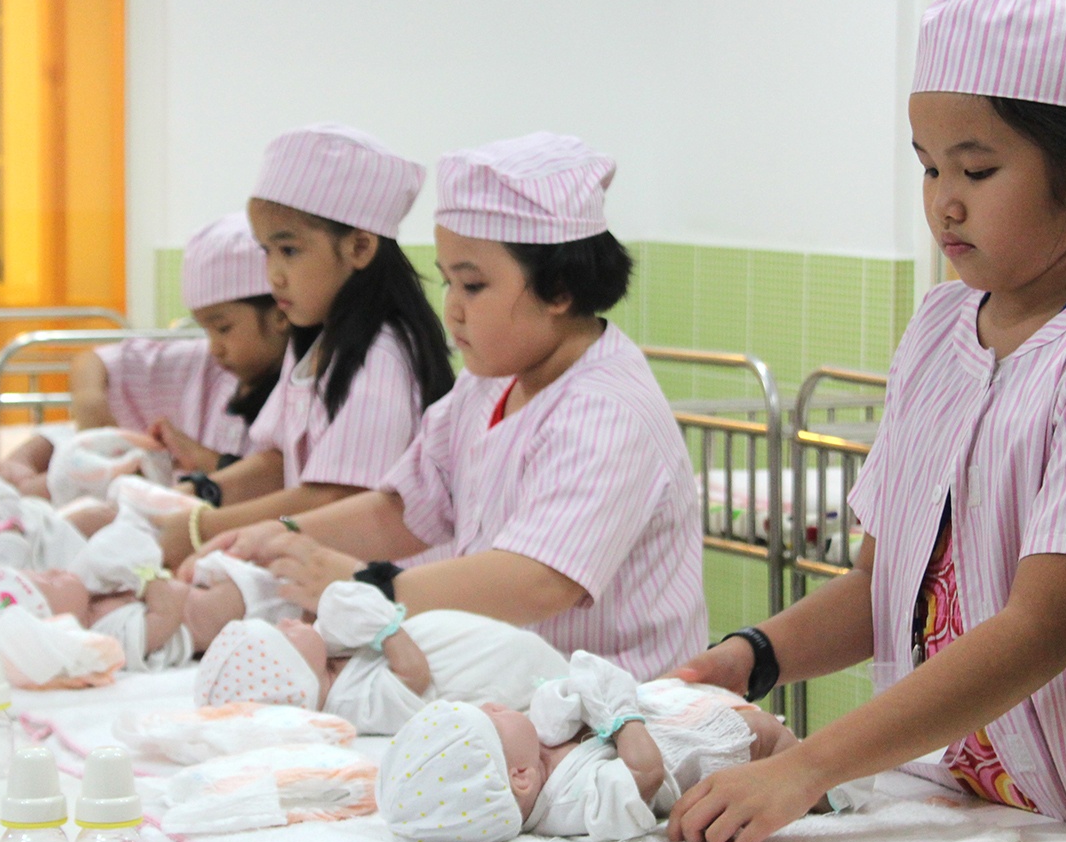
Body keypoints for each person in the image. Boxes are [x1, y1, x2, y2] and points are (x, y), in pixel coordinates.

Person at [665, 0, 1066, 842]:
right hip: (965, 815)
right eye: (929, 167)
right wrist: (747, 657)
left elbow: (1038, 631)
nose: (944, 203)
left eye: (977, 170)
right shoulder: (941, 327)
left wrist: (805, 768)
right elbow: (880, 587)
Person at [188, 133, 706, 681]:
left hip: (622, 705)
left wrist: (367, 587)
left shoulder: (606, 411)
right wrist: (286, 534)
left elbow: (538, 580)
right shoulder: (488, 385)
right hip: (519, 688)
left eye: (473, 285)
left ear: (558, 289)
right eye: (448, 281)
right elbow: (406, 506)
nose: (452, 309)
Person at [156, 125, 454, 564]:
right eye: (266, 252)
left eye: (289, 251)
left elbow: (337, 497)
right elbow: (278, 463)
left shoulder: (379, 357)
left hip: (379, 583)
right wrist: (200, 494)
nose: (274, 275)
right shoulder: (315, 342)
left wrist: (202, 530)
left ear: (359, 247)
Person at [377, 650, 800, 842]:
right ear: (519, 777)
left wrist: (570, 703)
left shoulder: (540, 741)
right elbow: (646, 775)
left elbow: (580, 683)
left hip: (683, 708)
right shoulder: (570, 804)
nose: (492, 705)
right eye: (491, 718)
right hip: (732, 748)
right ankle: (824, 790)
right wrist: (619, 718)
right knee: (781, 748)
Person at [14, 211, 292, 487]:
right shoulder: (202, 365)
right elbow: (95, 363)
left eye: (223, 328)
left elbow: (277, 486)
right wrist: (91, 403)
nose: (215, 347)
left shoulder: (302, 394)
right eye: (205, 329)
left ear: (280, 315)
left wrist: (197, 457)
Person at [194, 580, 569, 734]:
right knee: (544, 689)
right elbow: (413, 678)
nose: (289, 620)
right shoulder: (350, 701)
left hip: (501, 649)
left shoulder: (329, 657)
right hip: (497, 675)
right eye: (283, 634)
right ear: (294, 675)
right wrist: (386, 629)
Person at [0, 510, 276, 671]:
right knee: (241, 596)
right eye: (49, 582)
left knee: (259, 558)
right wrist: (148, 577)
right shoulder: (106, 637)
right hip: (208, 621)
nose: (54, 570)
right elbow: (166, 614)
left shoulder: (94, 596)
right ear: (56, 625)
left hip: (195, 589)